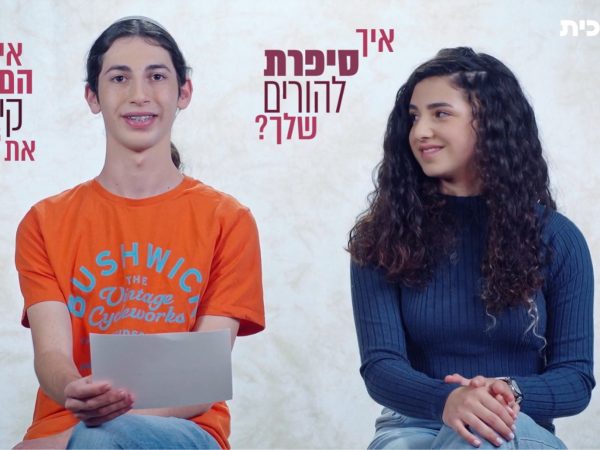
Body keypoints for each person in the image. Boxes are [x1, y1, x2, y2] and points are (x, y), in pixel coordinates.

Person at [13, 16, 264, 450]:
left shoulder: (228, 220)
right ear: (93, 96)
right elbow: (51, 355)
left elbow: (198, 380)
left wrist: (81, 436)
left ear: (183, 92)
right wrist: (74, 392)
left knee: (100, 441)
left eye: (157, 76)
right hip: (64, 426)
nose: (139, 94)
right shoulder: (44, 222)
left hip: (184, 427)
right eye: (119, 78)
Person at [348, 47, 594, 449]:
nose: (420, 131)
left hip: (516, 425)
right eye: (414, 117)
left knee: (481, 434)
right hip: (413, 425)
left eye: (440, 114)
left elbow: (575, 380)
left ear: (490, 121)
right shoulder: (382, 238)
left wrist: (507, 391)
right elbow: (381, 368)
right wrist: (448, 399)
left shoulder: (558, 239)